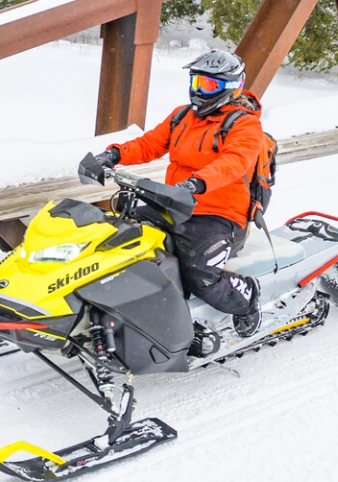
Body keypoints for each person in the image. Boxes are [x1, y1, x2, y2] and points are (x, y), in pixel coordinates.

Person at [79, 50, 266, 337]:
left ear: (231, 88)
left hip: (217, 214)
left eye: (208, 86)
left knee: (201, 276)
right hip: (174, 203)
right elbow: (149, 143)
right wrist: (114, 154)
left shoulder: (244, 124)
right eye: (196, 83)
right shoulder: (183, 116)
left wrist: (196, 184)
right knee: (115, 236)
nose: (198, 92)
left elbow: (233, 162)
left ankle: (247, 299)